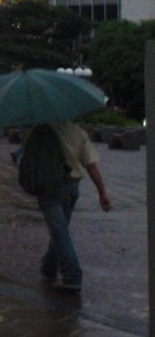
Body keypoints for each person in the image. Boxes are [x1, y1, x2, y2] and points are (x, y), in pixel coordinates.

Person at [28, 121, 112, 293]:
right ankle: (49, 266)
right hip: (71, 187)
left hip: (48, 188)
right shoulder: (78, 132)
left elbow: (29, 157)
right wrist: (102, 192)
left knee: (59, 231)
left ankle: (72, 276)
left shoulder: (40, 130)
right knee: (60, 229)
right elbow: (91, 165)